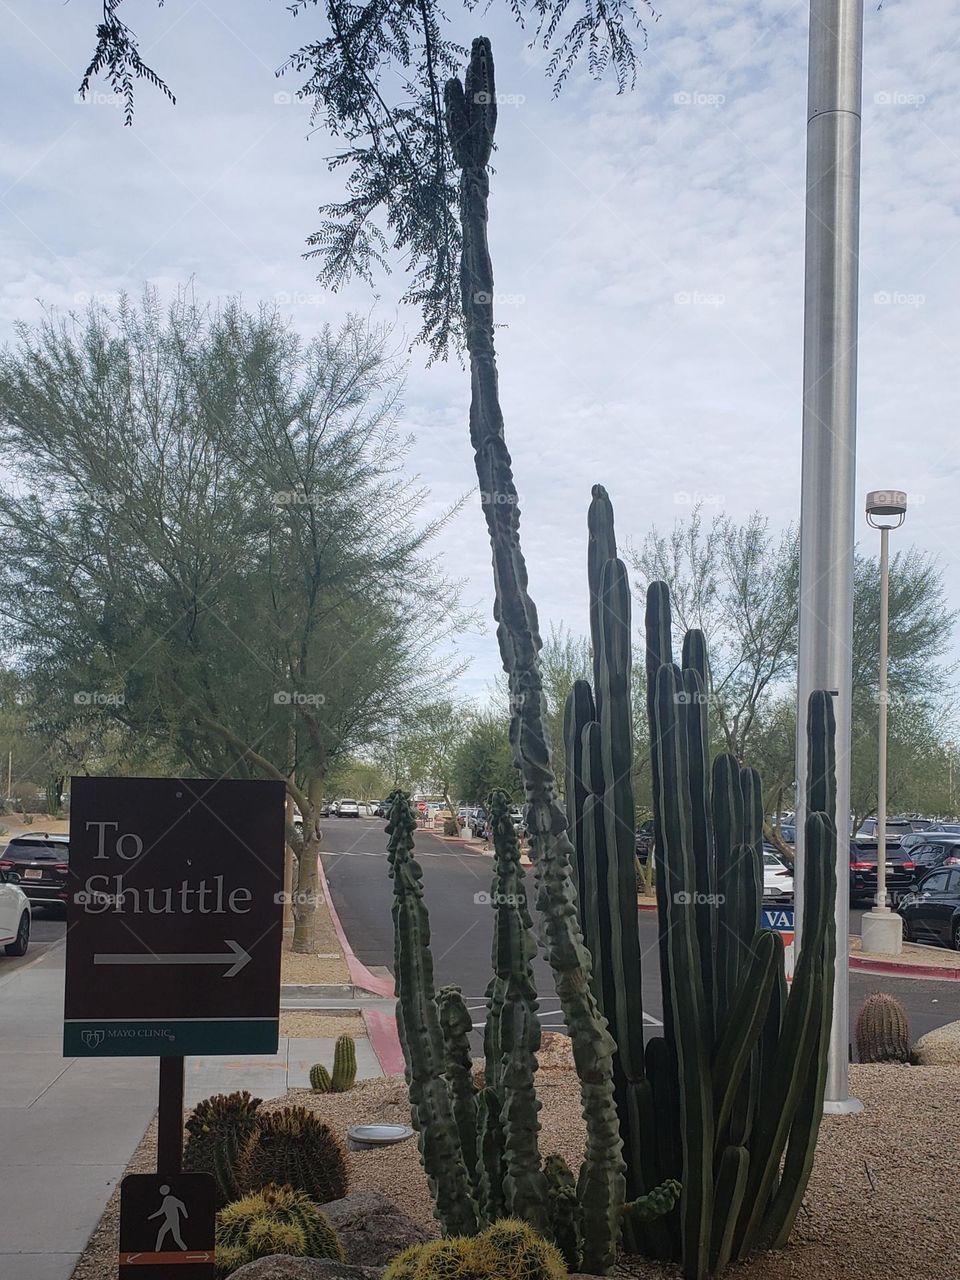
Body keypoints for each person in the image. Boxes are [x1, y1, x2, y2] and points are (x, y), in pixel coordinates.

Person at [148, 1184, 188, 1251]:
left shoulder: (170, 1198)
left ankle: (185, 1249)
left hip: (173, 1220)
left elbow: (181, 1204)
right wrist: (151, 1217)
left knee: (174, 1237)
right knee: (167, 1234)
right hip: (170, 1220)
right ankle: (157, 1251)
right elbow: (161, 1211)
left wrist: (185, 1215)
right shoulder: (166, 1199)